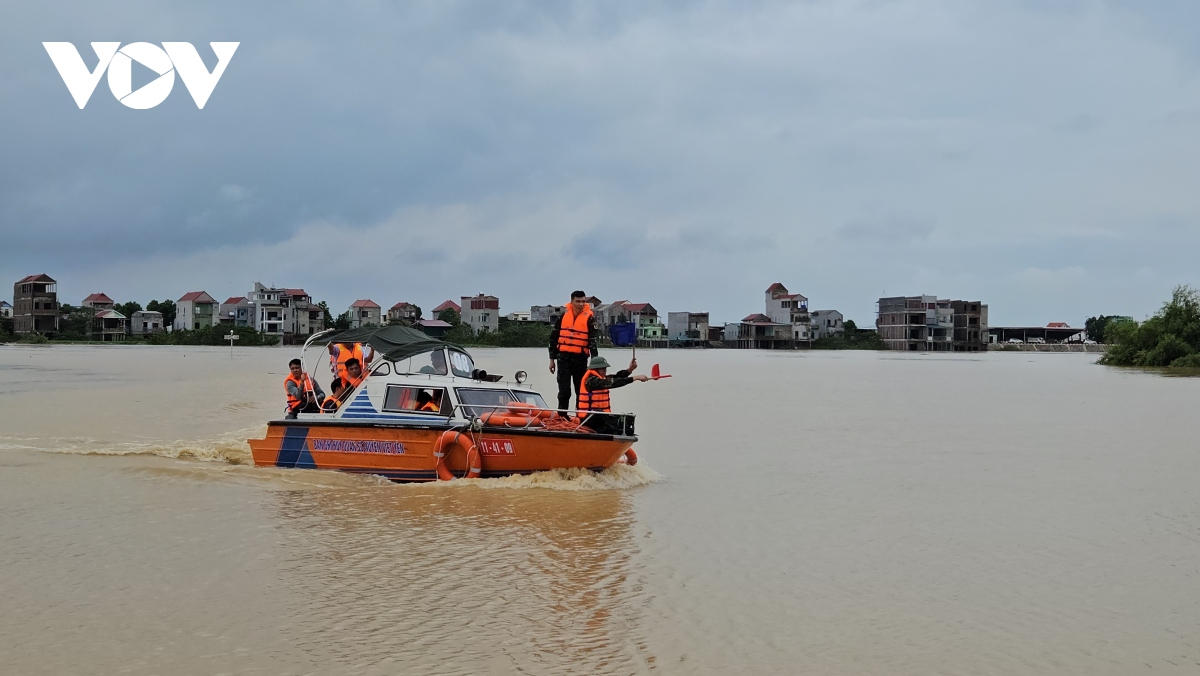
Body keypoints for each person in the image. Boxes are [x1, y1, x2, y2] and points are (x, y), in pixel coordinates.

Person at [549, 290, 599, 411]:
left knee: (580, 390)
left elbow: (593, 343)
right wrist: (552, 360)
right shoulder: (563, 316)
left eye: (583, 301)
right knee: (564, 390)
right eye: (578, 301)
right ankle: (562, 415)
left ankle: (580, 416)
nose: (581, 304)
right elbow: (554, 338)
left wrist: (594, 364)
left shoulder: (590, 319)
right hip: (563, 358)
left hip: (580, 359)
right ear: (572, 301)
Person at [576, 355, 647, 435]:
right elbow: (613, 382)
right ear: (595, 369)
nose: (605, 370)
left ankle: (619, 432)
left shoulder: (601, 378)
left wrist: (629, 370)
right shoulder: (591, 381)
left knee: (627, 419)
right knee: (598, 414)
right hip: (588, 419)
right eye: (602, 368)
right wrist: (635, 378)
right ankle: (613, 431)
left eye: (605, 368)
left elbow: (616, 377)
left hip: (603, 417)